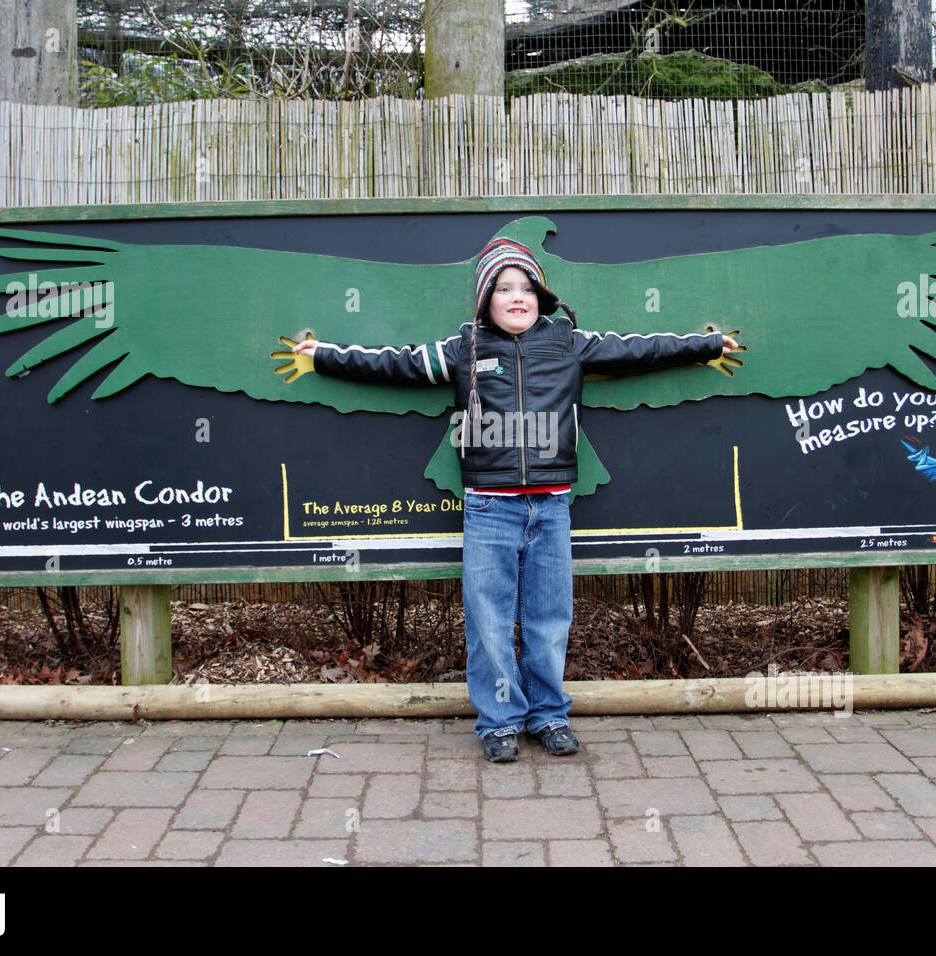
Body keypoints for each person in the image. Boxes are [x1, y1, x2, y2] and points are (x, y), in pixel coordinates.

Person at [285, 238, 739, 762]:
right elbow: (393, 364)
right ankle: (499, 722)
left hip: (551, 507)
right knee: (489, 622)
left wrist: (705, 347)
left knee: (549, 619)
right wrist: (322, 356)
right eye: (504, 288)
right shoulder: (465, 349)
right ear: (485, 298)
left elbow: (640, 351)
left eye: (526, 288)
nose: (516, 297)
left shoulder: (569, 343)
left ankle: (548, 716)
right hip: (488, 508)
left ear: (541, 297)